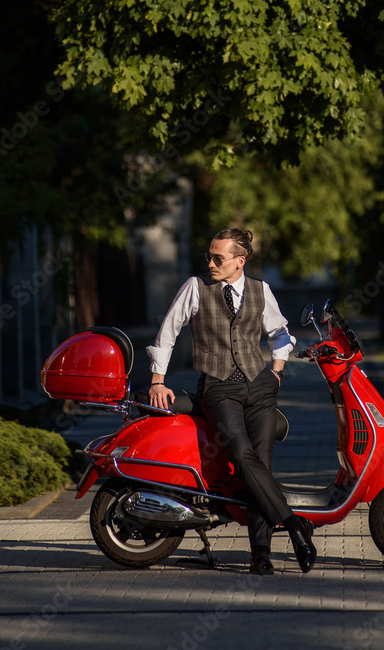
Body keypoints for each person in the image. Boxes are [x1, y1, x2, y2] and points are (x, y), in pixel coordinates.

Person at [147, 228, 317, 575]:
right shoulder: (195, 288)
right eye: (208, 256)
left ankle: (261, 555)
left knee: (262, 465)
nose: (210, 263)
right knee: (242, 454)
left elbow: (280, 332)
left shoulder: (260, 290)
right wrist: (157, 380)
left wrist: (278, 370)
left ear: (239, 262)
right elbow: (168, 331)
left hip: (259, 385)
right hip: (218, 387)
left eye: (218, 258)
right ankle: (295, 525)